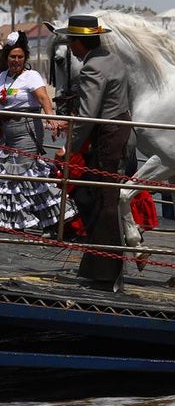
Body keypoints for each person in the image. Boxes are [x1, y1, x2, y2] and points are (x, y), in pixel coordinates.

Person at [48, 15, 134, 292]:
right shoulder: (112, 59)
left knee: (103, 201)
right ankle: (100, 267)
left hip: (106, 138)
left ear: (79, 42)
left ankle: (108, 272)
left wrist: (68, 148)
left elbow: (87, 116)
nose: (70, 47)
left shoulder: (92, 68)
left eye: (71, 41)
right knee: (93, 196)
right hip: (117, 133)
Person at [0, 31, 77, 232]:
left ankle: (59, 215)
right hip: (6, 133)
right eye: (12, 57)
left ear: (25, 58)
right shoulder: (2, 77)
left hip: (27, 131)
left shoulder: (31, 76)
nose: (16, 61)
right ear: (6, 58)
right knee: (15, 178)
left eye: (20, 57)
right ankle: (19, 221)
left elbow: (44, 99)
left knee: (22, 175)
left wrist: (51, 118)